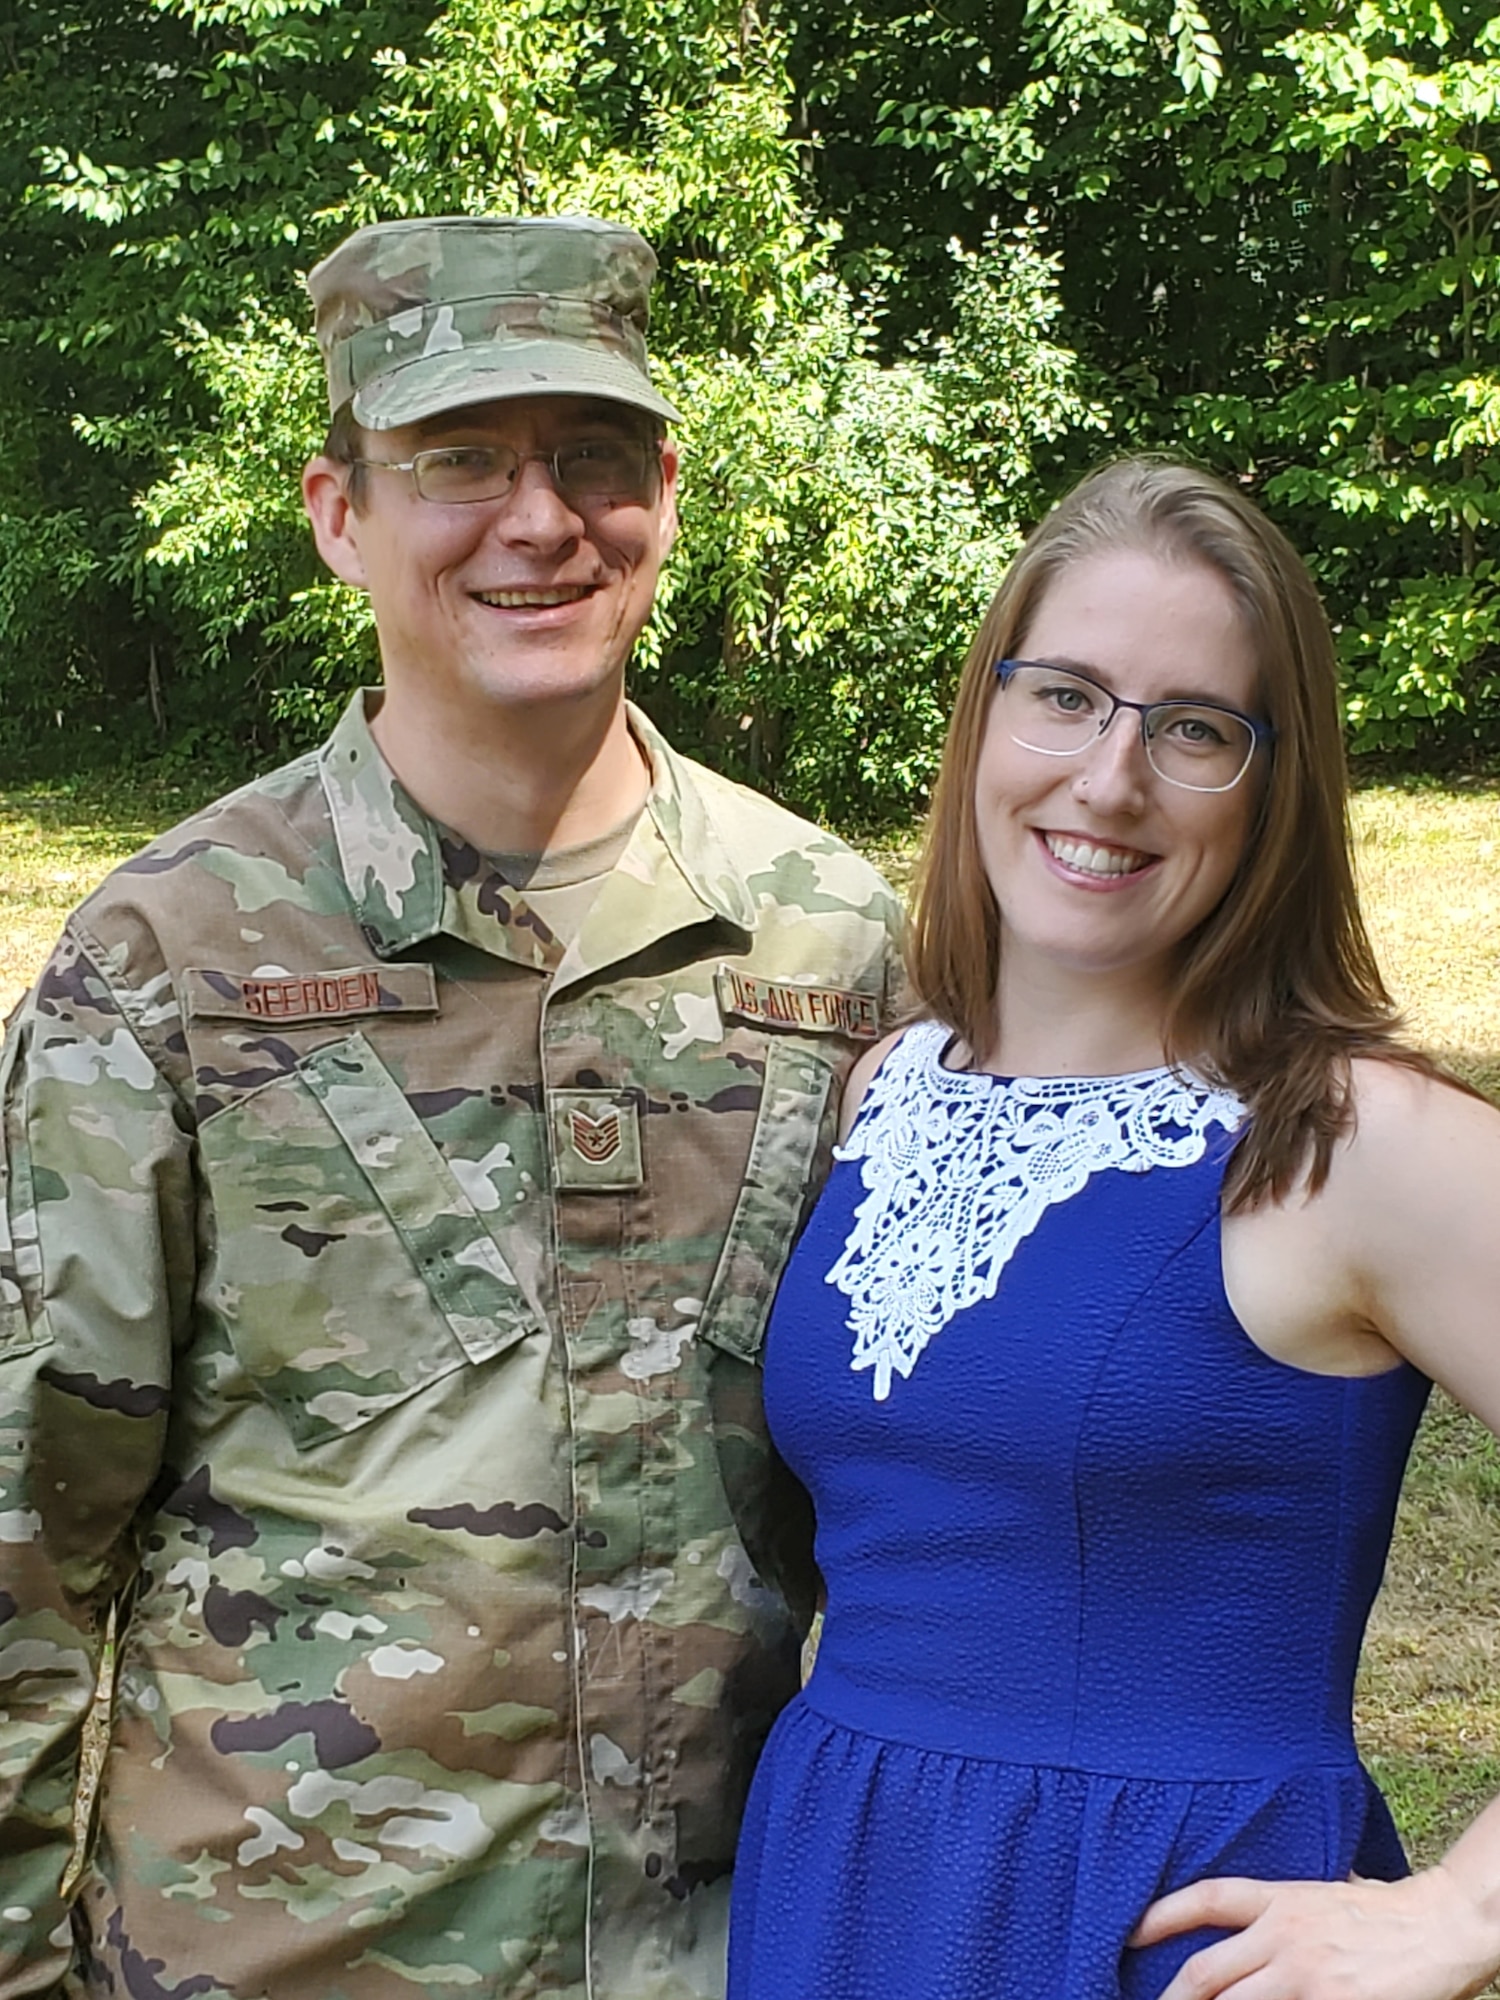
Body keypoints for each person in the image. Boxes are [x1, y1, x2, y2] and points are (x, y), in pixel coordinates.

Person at [0, 213, 904, 1999]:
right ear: (342, 513)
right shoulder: (171, 957)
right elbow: (21, 1540)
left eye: (591, 457)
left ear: (664, 486)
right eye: (459, 461)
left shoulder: (829, 936)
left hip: (737, 1959)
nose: (539, 519)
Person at [726, 456, 1500, 2000]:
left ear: (1278, 783)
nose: (1110, 779)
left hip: (1155, 1933)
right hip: (843, 1893)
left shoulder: (1353, 1140)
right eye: (1066, 696)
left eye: (1196, 728)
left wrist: (1466, 1913)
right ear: (986, 715)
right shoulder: (881, 1088)